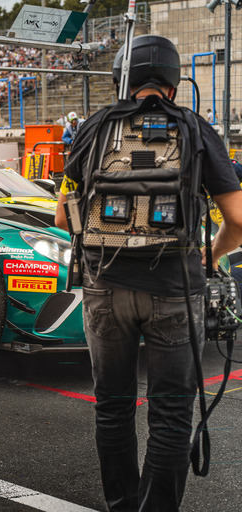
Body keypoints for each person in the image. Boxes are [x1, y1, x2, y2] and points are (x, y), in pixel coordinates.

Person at [54, 35, 242, 511]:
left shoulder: (94, 128)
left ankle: (122, 504)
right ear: (174, 83)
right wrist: (212, 255)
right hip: (174, 289)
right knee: (171, 414)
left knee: (113, 407)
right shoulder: (196, 129)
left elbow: (63, 216)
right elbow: (239, 220)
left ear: (124, 79)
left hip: (104, 286)